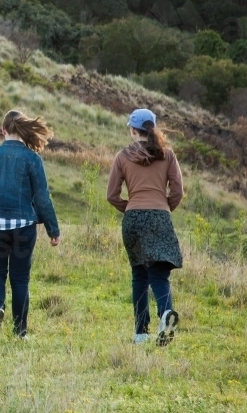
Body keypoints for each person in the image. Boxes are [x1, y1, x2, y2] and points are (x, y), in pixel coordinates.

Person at [0, 109, 60, 340]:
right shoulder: (33, 159)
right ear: (22, 130)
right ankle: (20, 331)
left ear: (2, 130)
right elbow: (42, 198)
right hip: (24, 226)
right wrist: (52, 229)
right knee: (20, 278)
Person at [107, 108, 184, 346]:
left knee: (139, 274)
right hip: (160, 215)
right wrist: (162, 207)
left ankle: (141, 332)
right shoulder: (167, 155)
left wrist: (131, 208)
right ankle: (165, 314)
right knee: (159, 273)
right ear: (153, 129)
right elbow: (178, 191)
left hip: (133, 219)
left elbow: (112, 195)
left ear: (132, 130)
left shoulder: (122, 156)